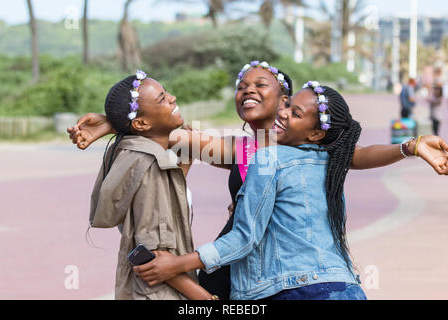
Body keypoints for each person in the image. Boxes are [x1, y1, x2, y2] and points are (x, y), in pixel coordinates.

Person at [68, 61, 448, 300]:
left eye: (261, 84)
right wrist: (110, 121)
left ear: (285, 100)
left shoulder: (310, 151)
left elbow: (355, 154)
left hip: (294, 279)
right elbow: (165, 131)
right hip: (243, 276)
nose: (247, 89)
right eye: (242, 85)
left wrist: (411, 146)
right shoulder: (240, 149)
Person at [131, 82, 370, 300]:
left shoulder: (268, 158)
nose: (284, 112)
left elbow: (245, 238)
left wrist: (176, 264)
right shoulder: (330, 162)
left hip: (299, 291)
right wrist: (404, 148)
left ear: (316, 134)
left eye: (295, 113)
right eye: (287, 106)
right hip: (346, 288)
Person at [88, 70, 215, 300]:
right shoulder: (150, 166)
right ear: (142, 123)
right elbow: (153, 258)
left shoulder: (133, 155)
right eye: (162, 98)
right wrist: (205, 299)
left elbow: (167, 201)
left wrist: (186, 159)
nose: (173, 98)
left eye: (166, 92)